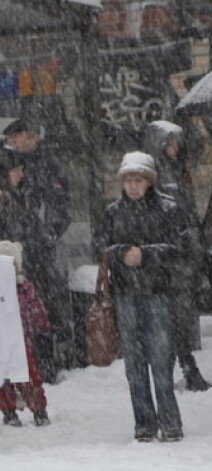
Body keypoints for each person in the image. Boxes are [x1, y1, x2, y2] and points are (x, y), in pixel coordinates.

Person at [96, 152, 185, 443]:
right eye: (129, 180)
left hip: (158, 293)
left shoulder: (169, 209)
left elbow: (181, 249)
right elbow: (101, 247)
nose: (133, 186)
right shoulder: (112, 212)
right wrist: (122, 252)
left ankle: (170, 421)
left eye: (139, 180)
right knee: (134, 363)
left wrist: (146, 253)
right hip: (125, 294)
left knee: (161, 360)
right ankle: (144, 423)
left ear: (149, 181)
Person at [0, 149, 57, 382]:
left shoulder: (14, 195)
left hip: (20, 266)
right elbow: (3, 236)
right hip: (9, 271)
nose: (21, 175)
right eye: (17, 170)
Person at [1, 117, 73, 373]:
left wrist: (50, 233)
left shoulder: (48, 164)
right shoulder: (5, 164)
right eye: (16, 138)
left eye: (27, 136)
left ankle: (50, 359)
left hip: (42, 248)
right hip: (15, 247)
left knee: (45, 303)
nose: (16, 142)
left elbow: (61, 204)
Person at [143, 120, 210, 391]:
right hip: (168, 257)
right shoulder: (156, 173)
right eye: (170, 142)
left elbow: (188, 210)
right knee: (171, 317)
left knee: (180, 314)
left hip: (183, 254)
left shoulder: (178, 170)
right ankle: (179, 366)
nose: (175, 148)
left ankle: (184, 364)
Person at [0, 241, 51, 427]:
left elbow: (36, 308)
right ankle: (8, 412)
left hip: (22, 342)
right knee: (1, 381)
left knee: (29, 378)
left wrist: (43, 327)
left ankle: (39, 409)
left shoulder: (24, 287)